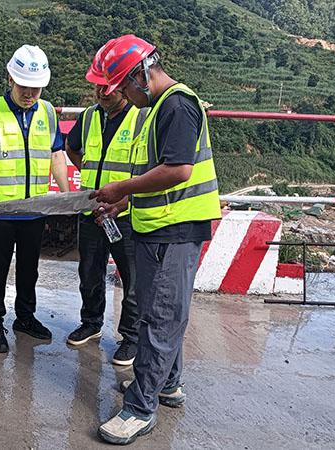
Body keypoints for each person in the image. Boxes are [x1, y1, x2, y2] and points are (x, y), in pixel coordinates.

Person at [90, 35, 221, 445]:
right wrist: (124, 201)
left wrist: (121, 187)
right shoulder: (155, 109)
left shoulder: (176, 106)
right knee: (159, 311)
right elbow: (154, 171)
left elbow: (178, 170)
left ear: (141, 75)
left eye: (122, 87)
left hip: (175, 229)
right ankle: (168, 383)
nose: (123, 96)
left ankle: (140, 407)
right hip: (156, 226)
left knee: (160, 318)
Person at [0, 44, 70, 354]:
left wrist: (66, 195)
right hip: (2, 210)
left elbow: (56, 154)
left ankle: (25, 318)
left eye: (36, 88)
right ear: (10, 79)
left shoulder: (47, 112)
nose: (30, 94)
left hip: (35, 209)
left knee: (29, 269)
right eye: (24, 86)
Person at [64, 42, 147, 366]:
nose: (101, 92)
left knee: (132, 278)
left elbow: (151, 169)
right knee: (89, 271)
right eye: (97, 86)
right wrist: (89, 174)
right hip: (92, 211)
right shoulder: (88, 118)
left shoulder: (140, 119)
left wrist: (126, 198)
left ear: (123, 86)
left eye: (108, 87)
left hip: (125, 213)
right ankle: (91, 322)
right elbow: (73, 148)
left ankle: (131, 337)